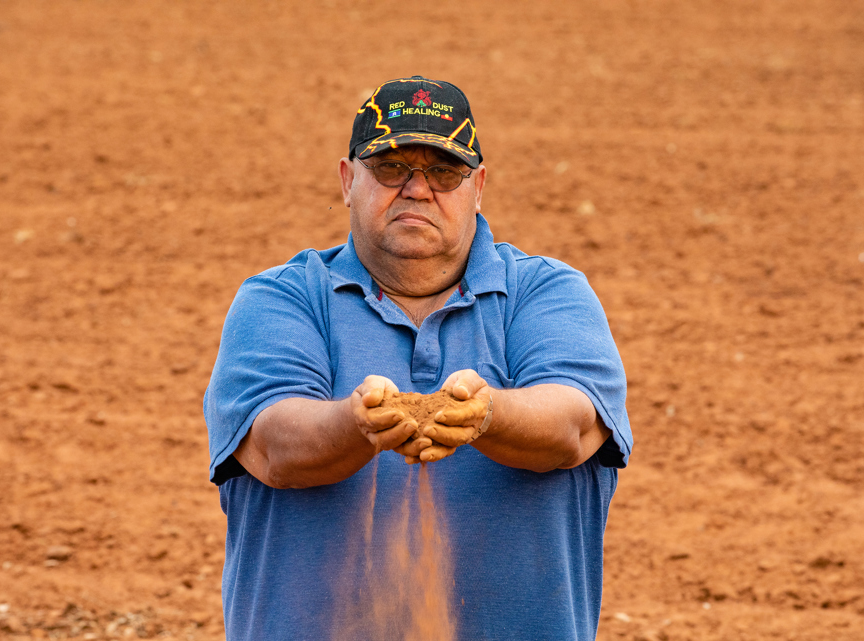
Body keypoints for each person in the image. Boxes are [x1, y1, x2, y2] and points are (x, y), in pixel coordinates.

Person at [204, 75, 632, 641]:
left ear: (477, 186)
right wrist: (355, 423)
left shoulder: (548, 293)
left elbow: (572, 429)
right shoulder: (282, 298)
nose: (417, 189)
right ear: (347, 180)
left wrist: (487, 414)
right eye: (391, 167)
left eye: (444, 171)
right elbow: (274, 447)